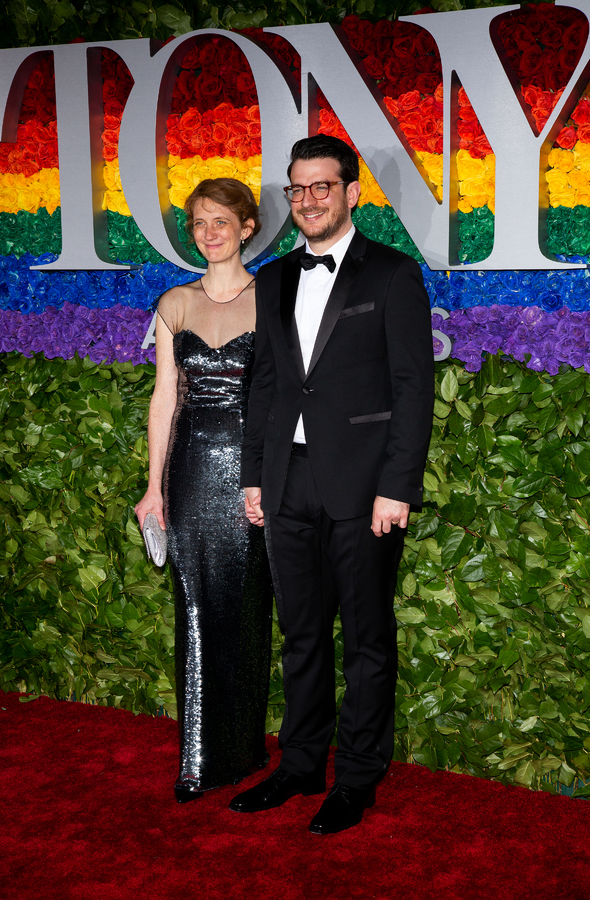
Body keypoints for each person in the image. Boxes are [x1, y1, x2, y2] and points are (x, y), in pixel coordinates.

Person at [229, 135, 435, 834]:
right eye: (298, 188)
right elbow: (266, 384)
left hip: (366, 486)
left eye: (323, 186)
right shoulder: (276, 277)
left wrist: (397, 486)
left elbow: (413, 388)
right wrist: (255, 474)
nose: (310, 200)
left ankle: (356, 778)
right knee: (302, 634)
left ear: (352, 192)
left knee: (366, 639)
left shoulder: (393, 274)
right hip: (288, 481)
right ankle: (299, 764)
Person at [135, 178, 272, 803]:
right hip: (191, 470)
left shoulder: (274, 297)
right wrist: (152, 487)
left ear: (248, 227)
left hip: (255, 471)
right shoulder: (174, 303)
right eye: (198, 223)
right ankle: (198, 758)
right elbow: (165, 400)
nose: (210, 232)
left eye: (222, 221)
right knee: (194, 607)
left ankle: (243, 750)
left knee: (246, 610)